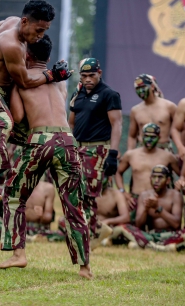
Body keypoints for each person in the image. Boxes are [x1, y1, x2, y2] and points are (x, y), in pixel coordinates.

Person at [0, 36, 91, 279]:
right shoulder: (59, 82)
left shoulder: (22, 81)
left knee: (14, 192)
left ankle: (18, 255)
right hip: (68, 141)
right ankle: (84, 268)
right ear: (48, 58)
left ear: (26, 56)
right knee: (73, 205)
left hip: (40, 139)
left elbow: (17, 116)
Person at [0, 0, 71, 203]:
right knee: (4, 124)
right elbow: (25, 81)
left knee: (33, 136)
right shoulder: (13, 45)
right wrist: (52, 75)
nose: (40, 36)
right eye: (38, 30)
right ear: (25, 22)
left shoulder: (11, 22)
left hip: (4, 92)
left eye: (44, 31)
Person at [69, 57, 122, 242]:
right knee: (77, 193)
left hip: (97, 149)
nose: (88, 79)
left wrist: (113, 154)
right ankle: (96, 229)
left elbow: (117, 124)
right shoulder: (79, 93)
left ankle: (92, 233)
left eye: (92, 75)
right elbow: (71, 122)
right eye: (84, 76)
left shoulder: (109, 94)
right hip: (78, 149)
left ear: (99, 73)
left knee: (88, 193)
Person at [112, 165, 185, 252]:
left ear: (168, 180)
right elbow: (138, 225)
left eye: (160, 177)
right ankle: (161, 247)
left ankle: (146, 245)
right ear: (150, 179)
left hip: (170, 235)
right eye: (154, 177)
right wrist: (146, 208)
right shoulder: (144, 195)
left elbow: (176, 224)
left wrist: (158, 208)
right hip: (150, 235)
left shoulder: (175, 195)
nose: (156, 181)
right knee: (122, 227)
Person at [115, 123, 180, 208]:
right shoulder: (131, 155)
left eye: (153, 137)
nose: (149, 139)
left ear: (159, 137)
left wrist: (175, 190)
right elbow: (118, 172)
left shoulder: (168, 156)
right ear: (141, 137)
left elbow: (183, 176)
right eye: (146, 136)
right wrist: (123, 192)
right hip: (136, 200)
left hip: (158, 200)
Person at [128, 74, 175, 151]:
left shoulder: (169, 107)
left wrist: (181, 149)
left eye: (143, 87)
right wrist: (130, 153)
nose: (141, 90)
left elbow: (179, 130)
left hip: (164, 150)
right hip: (142, 150)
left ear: (152, 86)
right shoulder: (135, 110)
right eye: (137, 88)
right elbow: (132, 136)